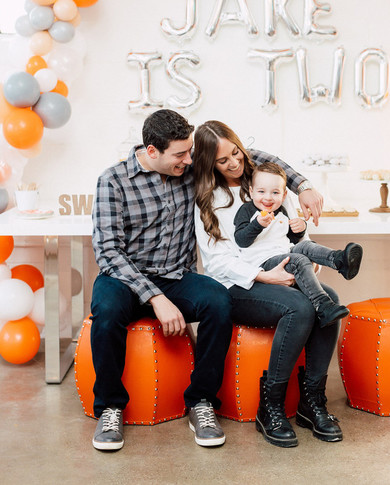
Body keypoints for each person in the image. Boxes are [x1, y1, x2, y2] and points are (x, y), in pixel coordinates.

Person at [193, 120, 345, 448]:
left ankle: (311, 402)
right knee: (299, 307)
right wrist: (265, 276)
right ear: (209, 163)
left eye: (236, 153)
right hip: (236, 286)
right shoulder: (208, 200)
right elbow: (217, 262)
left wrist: (308, 262)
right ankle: (271, 406)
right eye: (223, 160)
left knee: (329, 298)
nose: (234, 163)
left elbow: (295, 236)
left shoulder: (266, 184)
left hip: (280, 271)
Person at [90, 109, 234, 451]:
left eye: (190, 151)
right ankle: (110, 407)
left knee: (219, 302)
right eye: (180, 154)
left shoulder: (188, 168)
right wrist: (156, 298)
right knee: (106, 311)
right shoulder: (113, 181)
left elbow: (244, 155)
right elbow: (108, 251)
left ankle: (201, 401)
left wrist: (302, 185)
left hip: (176, 276)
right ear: (152, 151)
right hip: (125, 278)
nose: (189, 160)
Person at [233, 162, 363, 328]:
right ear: (251, 192)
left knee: (306, 246)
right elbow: (241, 240)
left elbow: (292, 239)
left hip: (284, 252)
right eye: (261, 191)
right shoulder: (247, 210)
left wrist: (300, 230)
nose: (268, 197)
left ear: (284, 195)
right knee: (299, 260)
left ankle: (339, 260)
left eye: (275, 192)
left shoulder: (281, 212)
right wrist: (257, 224)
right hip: (263, 262)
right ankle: (322, 305)